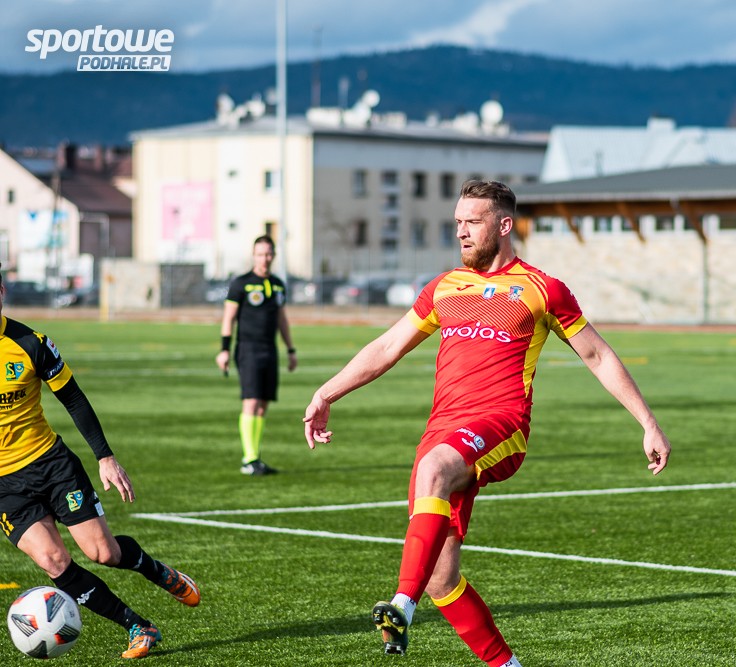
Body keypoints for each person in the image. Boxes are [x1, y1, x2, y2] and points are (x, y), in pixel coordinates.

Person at [303, 179, 671, 666]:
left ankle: (401, 606)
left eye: (472, 222)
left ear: (503, 225)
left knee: (434, 469)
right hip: (443, 431)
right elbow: (387, 347)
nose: (461, 231)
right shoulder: (444, 287)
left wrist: (647, 421)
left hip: (501, 424)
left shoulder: (543, 289)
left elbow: (597, 355)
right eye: (457, 222)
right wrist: (326, 392)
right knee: (441, 578)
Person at [0, 266, 200, 660]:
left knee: (104, 554)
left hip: (51, 465)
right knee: (54, 561)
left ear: (2, 292)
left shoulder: (30, 343)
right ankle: (138, 626)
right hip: (6, 486)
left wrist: (105, 457)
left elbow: (73, 398)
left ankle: (157, 571)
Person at [215, 235, 297, 475]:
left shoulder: (278, 284)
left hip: (269, 349)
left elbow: (282, 319)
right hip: (248, 349)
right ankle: (248, 458)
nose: (265, 258)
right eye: (260, 254)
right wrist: (224, 349)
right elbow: (228, 318)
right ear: (254, 255)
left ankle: (255, 457)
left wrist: (290, 349)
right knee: (251, 401)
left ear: (274, 255)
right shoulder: (241, 284)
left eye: (269, 254)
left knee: (263, 405)